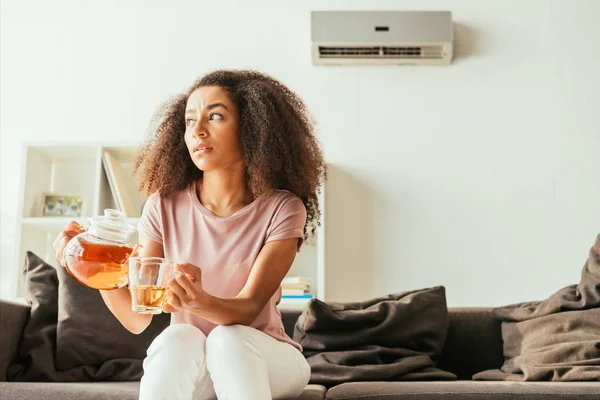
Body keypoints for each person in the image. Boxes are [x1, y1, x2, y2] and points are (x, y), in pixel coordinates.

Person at [53, 70, 326, 400]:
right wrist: (90, 269)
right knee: (176, 336)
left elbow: (248, 308)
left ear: (253, 129)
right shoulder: (162, 206)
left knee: (229, 339)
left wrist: (199, 300)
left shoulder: (283, 208)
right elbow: (138, 317)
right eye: (189, 120)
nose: (197, 130)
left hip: (267, 358)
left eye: (215, 116)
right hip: (196, 363)